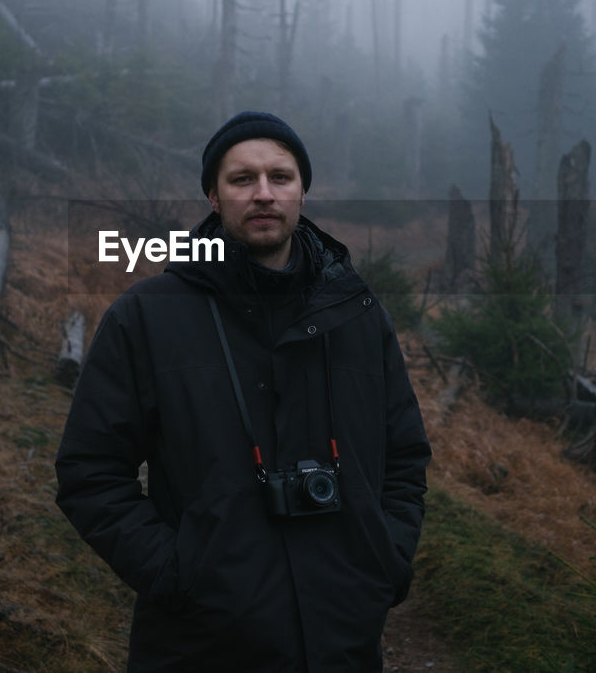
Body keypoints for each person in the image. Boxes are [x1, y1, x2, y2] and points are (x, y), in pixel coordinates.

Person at [55, 111, 431, 672]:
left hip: (343, 642)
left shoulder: (356, 315)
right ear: (213, 194)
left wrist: (386, 561)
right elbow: (89, 472)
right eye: (241, 179)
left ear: (302, 192)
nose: (263, 194)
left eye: (280, 177)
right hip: (199, 647)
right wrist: (174, 573)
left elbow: (404, 457)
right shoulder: (148, 317)